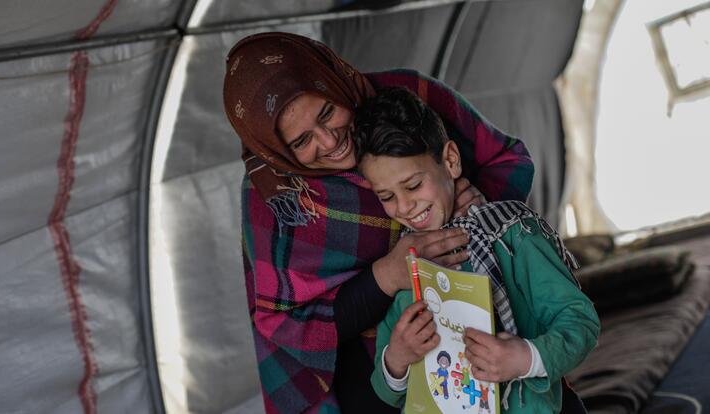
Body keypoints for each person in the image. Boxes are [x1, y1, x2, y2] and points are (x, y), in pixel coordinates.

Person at [222, 32, 535, 414]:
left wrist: (471, 204)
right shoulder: (272, 196)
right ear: (277, 150)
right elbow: (286, 325)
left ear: (333, 80)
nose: (329, 139)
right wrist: (387, 276)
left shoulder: (406, 97)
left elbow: (507, 159)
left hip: (489, 318)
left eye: (326, 113)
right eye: (302, 140)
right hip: (372, 370)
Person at [353, 87, 600, 413]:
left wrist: (524, 358)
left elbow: (580, 323)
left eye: (413, 185)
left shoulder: (512, 235)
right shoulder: (409, 266)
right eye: (386, 197)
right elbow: (388, 392)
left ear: (451, 161)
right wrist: (396, 359)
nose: (404, 206)